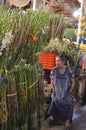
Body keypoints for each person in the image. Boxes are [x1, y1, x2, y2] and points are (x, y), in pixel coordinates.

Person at [46, 54, 75, 130]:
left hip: (66, 93)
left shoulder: (68, 70)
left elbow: (73, 82)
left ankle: (67, 122)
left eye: (58, 61)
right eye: (56, 61)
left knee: (69, 103)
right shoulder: (54, 70)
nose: (56, 62)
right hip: (57, 92)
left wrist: (70, 91)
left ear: (63, 62)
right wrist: (53, 90)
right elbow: (51, 82)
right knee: (54, 102)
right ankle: (53, 119)